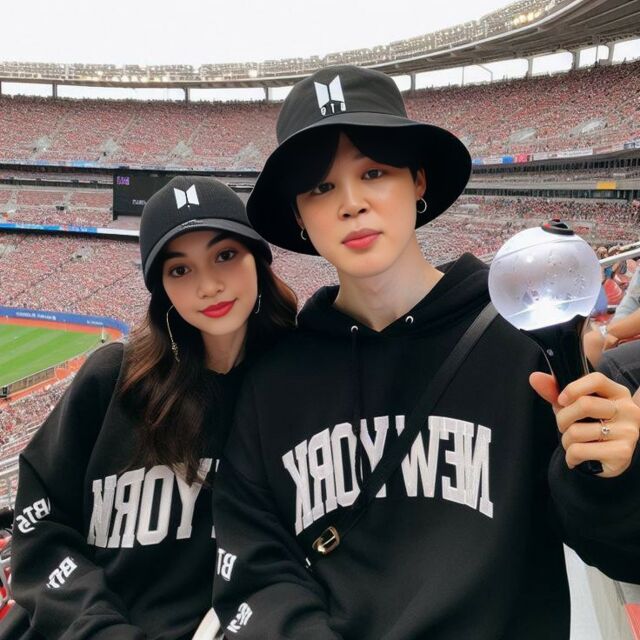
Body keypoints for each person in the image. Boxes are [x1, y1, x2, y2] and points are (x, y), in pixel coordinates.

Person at [211, 65, 640, 640]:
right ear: (298, 217)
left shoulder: (524, 343)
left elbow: (620, 551)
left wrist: (616, 475)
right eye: (320, 187)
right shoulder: (273, 381)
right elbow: (252, 569)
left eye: (374, 172)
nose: (352, 203)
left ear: (418, 181)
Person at [4, 176, 296, 639]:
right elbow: (40, 523)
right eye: (180, 270)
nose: (209, 286)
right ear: (161, 288)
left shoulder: (294, 392)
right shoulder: (112, 379)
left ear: (258, 260)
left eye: (225, 255)